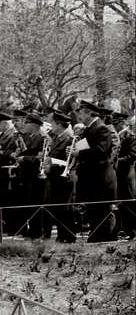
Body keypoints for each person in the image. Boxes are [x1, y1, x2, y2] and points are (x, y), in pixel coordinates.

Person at [72, 100, 118, 242]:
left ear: (89, 113)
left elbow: (101, 151)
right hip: (92, 177)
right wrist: (75, 150)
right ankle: (98, 235)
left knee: (102, 210)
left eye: (80, 112)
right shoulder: (89, 128)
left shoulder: (101, 128)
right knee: (94, 210)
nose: (78, 115)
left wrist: (79, 153)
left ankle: (106, 238)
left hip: (100, 178)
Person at [43, 110, 76, 243]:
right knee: (58, 209)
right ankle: (62, 236)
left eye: (53, 124)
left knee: (65, 210)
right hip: (56, 178)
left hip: (64, 179)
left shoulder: (68, 139)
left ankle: (68, 236)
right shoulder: (57, 138)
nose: (51, 127)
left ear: (59, 124)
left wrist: (51, 165)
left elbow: (68, 161)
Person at [113, 112, 136, 239]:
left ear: (121, 123)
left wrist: (116, 159)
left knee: (129, 202)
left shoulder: (130, 137)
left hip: (127, 173)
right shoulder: (119, 137)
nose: (114, 127)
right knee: (122, 203)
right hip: (119, 174)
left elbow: (132, 156)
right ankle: (125, 230)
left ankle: (132, 230)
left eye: (116, 124)